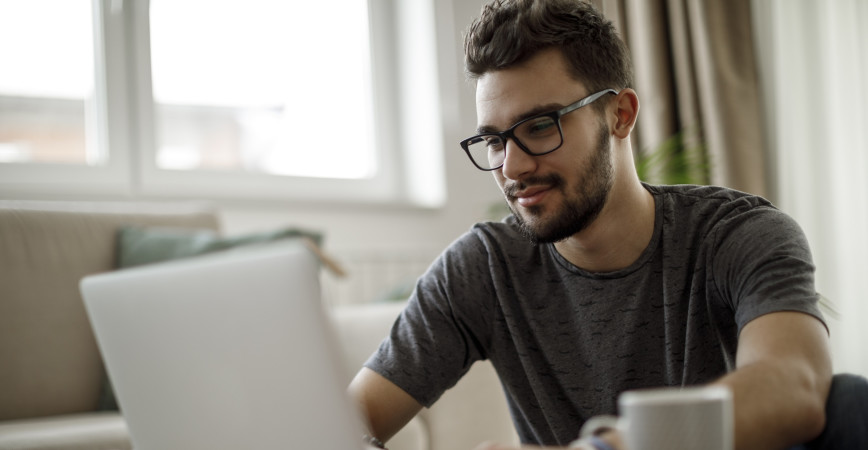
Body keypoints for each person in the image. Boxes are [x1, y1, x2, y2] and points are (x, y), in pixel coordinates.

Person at [348, 1, 868, 449]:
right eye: (495, 139)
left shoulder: (738, 234)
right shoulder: (483, 267)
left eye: (539, 126)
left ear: (620, 115)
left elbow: (794, 386)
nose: (512, 166)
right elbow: (348, 422)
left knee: (851, 404)